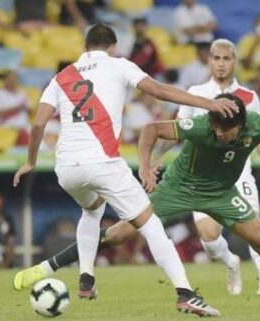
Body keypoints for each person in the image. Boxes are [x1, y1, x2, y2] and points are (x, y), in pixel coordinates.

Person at [15, 93, 260, 313]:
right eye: (214, 126)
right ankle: (46, 267)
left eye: (223, 129)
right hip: (177, 187)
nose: (217, 132)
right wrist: (145, 167)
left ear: (241, 125)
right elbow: (152, 129)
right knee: (119, 234)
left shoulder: (258, 124)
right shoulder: (201, 125)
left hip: (222, 194)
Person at [12, 24, 237, 317]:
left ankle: (86, 277)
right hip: (103, 163)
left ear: (84, 47)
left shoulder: (62, 76)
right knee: (151, 224)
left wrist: (30, 161)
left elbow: (39, 124)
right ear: (113, 47)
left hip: (66, 168)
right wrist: (209, 104)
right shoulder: (119, 65)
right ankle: (185, 294)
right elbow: (158, 91)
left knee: (92, 210)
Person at [152, 39, 260, 296]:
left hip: (237, 170)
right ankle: (231, 263)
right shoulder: (195, 93)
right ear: (209, 60)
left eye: (226, 59)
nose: (221, 64)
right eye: (216, 58)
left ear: (234, 61)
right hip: (202, 176)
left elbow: (259, 135)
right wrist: (157, 156)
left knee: (253, 226)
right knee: (209, 237)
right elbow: (178, 129)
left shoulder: (249, 97)